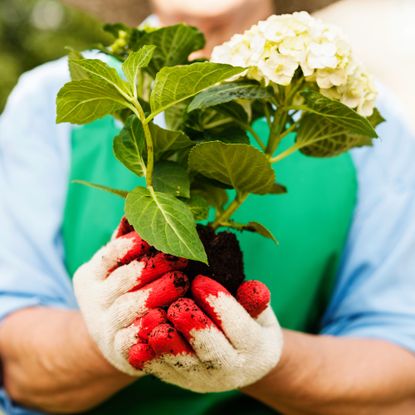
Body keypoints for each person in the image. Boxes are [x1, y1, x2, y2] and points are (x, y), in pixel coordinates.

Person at [1, 0, 415, 414]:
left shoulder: (364, 123)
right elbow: (17, 364)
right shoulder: (47, 101)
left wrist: (266, 359)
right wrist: (113, 338)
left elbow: (398, 376)